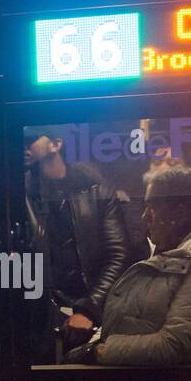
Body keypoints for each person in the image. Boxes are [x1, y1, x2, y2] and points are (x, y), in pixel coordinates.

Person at [65, 166, 191, 366]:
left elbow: (176, 345)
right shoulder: (176, 250)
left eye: (151, 207)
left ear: (179, 214)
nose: (144, 217)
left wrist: (98, 352)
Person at [24, 132, 131, 360]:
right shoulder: (22, 194)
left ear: (56, 144)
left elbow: (117, 253)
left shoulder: (95, 189)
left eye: (29, 139)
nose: (22, 146)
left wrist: (89, 308)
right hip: (40, 312)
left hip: (90, 307)